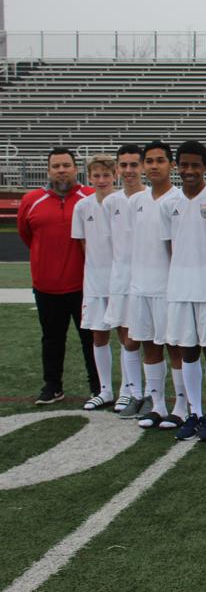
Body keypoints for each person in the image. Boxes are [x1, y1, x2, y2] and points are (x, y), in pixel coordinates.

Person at [17, 148, 98, 404]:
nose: (61, 170)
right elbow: (27, 235)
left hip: (85, 285)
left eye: (66, 165)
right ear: (48, 170)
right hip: (46, 286)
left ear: (76, 168)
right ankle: (53, 386)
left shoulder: (90, 197)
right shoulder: (32, 200)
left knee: (91, 339)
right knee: (52, 339)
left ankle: (99, 387)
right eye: (56, 166)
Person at [162, 141, 206, 441]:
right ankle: (194, 412)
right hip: (180, 288)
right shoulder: (169, 203)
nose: (189, 170)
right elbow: (169, 246)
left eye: (195, 165)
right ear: (176, 166)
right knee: (187, 351)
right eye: (184, 165)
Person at [126, 141, 183, 429]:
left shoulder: (178, 199)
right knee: (148, 345)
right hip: (140, 287)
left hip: (168, 288)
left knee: (174, 347)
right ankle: (157, 404)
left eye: (160, 160)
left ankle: (181, 406)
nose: (154, 166)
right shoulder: (136, 201)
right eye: (149, 161)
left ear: (171, 165)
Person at [70, 154, 118, 410]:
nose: (101, 180)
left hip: (120, 281)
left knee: (129, 337)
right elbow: (83, 244)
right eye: (96, 176)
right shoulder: (82, 207)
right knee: (98, 336)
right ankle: (105, 389)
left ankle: (131, 391)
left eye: (106, 175)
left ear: (115, 176)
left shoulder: (123, 203)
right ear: (89, 178)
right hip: (94, 282)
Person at [105, 145, 147, 416]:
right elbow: (110, 243)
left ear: (142, 166)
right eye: (124, 165)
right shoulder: (111, 202)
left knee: (154, 342)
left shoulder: (153, 198)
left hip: (149, 279)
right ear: (117, 169)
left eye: (134, 165)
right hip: (120, 279)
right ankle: (133, 392)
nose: (129, 170)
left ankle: (154, 395)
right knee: (127, 341)